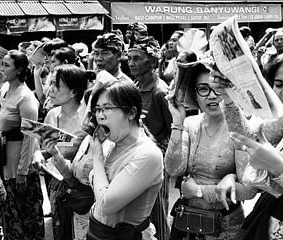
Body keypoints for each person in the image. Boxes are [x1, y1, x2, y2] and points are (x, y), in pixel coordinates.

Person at [164, 63, 257, 240]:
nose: (212, 96)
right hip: (189, 223)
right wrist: (177, 122)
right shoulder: (189, 124)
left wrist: (199, 190)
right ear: (195, 94)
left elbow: (249, 189)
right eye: (203, 89)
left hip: (225, 226)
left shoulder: (239, 127)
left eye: (218, 88)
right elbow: (173, 169)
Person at [86, 81, 163, 240]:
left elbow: (107, 204)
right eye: (98, 109)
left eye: (107, 108)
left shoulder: (148, 154)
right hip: (97, 231)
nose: (100, 116)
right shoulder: (109, 144)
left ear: (131, 113)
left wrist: (97, 159)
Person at [212, 70, 283, 240]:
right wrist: (228, 98)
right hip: (270, 216)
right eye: (279, 85)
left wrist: (278, 168)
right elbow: (246, 140)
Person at [41, 64, 92, 240]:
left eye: (57, 85)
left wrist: (54, 152)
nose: (50, 90)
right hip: (54, 181)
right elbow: (44, 149)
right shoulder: (51, 115)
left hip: (81, 187)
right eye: (51, 84)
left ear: (73, 91)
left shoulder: (87, 119)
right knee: (60, 228)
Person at [128, 36, 171, 240]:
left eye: (137, 58)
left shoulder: (160, 93)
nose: (131, 63)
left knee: (157, 211)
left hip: (156, 162)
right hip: (135, 160)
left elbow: (172, 133)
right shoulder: (134, 88)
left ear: (153, 62)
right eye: (129, 58)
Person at [0, 50, 45, 240]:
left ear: (19, 70)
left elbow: (30, 136)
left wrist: (22, 171)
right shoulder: (3, 90)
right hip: (5, 160)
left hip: (20, 164)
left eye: (7, 65)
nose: (2, 68)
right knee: (10, 219)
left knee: (27, 219)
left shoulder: (26, 97)